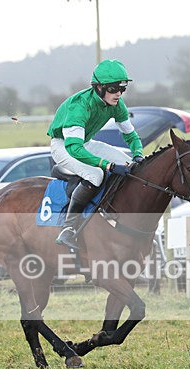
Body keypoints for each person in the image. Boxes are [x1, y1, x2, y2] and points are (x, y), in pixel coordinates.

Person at [47, 59, 144, 249]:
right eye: (114, 88)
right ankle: (68, 228)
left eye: (122, 89)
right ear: (99, 87)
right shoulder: (79, 106)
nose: (118, 94)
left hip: (86, 143)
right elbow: (74, 149)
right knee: (96, 174)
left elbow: (131, 136)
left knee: (130, 165)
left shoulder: (117, 104)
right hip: (63, 146)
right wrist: (107, 165)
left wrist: (138, 155)